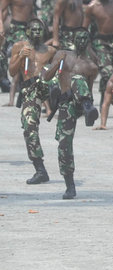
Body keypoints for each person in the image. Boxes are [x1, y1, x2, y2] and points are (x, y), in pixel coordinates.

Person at [42, 28, 99, 199]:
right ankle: (70, 185)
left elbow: (89, 87)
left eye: (85, 39)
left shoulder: (90, 65)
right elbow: (46, 77)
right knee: (64, 143)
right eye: (79, 38)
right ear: (74, 39)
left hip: (82, 102)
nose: (81, 41)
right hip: (66, 103)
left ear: (88, 41)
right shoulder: (62, 54)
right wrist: (57, 61)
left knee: (78, 79)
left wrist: (85, 103)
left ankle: (88, 107)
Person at [9, 19, 56, 185]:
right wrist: (20, 56)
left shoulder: (49, 50)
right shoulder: (19, 46)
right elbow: (12, 72)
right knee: (29, 127)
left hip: (45, 88)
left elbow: (58, 70)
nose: (37, 33)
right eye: (33, 30)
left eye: (39, 30)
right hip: (29, 90)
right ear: (27, 31)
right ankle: (40, 169)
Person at [0, 0, 34, 106]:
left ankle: (16, 98)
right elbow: (1, 9)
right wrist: (1, 26)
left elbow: (31, 12)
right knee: (23, 58)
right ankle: (13, 99)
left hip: (28, 27)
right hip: (17, 28)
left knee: (25, 64)